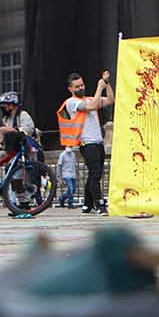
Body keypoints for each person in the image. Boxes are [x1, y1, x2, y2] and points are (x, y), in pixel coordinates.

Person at [57, 70, 112, 214]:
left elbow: (111, 100)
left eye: (81, 85)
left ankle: (87, 204)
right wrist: (100, 88)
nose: (80, 88)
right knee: (95, 174)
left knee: (95, 174)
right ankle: (99, 205)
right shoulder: (71, 103)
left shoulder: (89, 99)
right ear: (70, 89)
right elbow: (93, 106)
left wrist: (107, 84)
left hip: (98, 142)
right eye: (77, 86)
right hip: (86, 143)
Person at [0, 91, 37, 157]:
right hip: (11, 150)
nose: (2, 109)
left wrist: (12, 130)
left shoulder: (23, 115)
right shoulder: (5, 119)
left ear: (11, 105)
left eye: (4, 107)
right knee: (1, 155)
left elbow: (28, 130)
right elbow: (0, 134)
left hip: (26, 149)